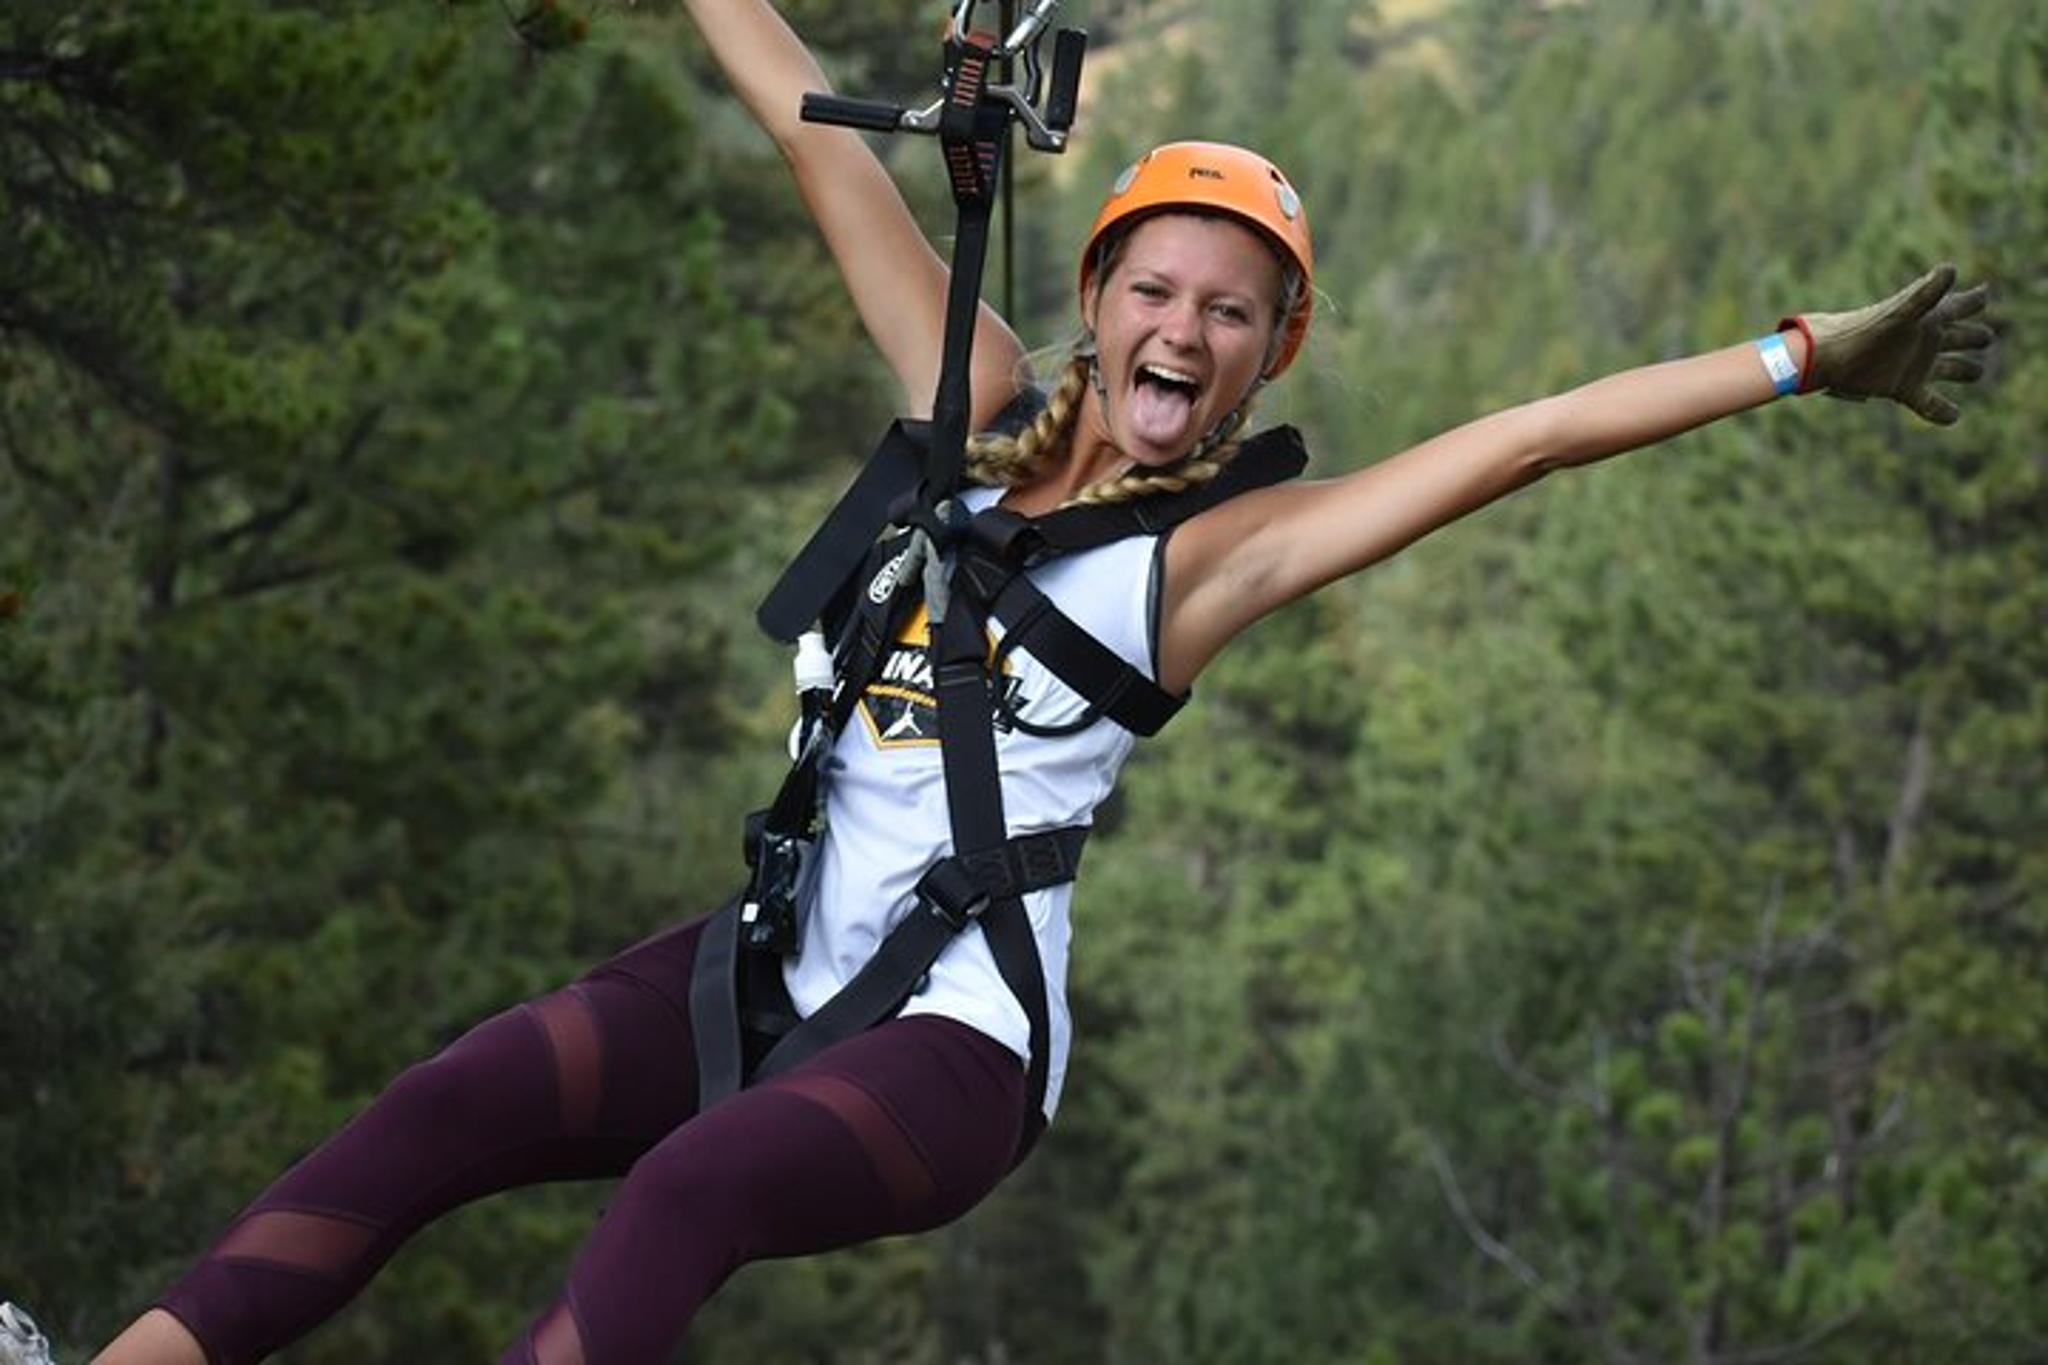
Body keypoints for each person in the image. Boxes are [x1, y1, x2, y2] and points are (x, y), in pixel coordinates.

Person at [67, 2, 1991, 1363]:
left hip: (955, 1046)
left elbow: (1525, 439)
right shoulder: (964, 403)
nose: (1187, 330)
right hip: (766, 953)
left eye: (1232, 316)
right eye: (1159, 289)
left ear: (1267, 358)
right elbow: (787, 94)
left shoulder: (1207, 560)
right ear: (1099, 293)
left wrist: (1801, 354)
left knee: (680, 1201)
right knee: (449, 1100)